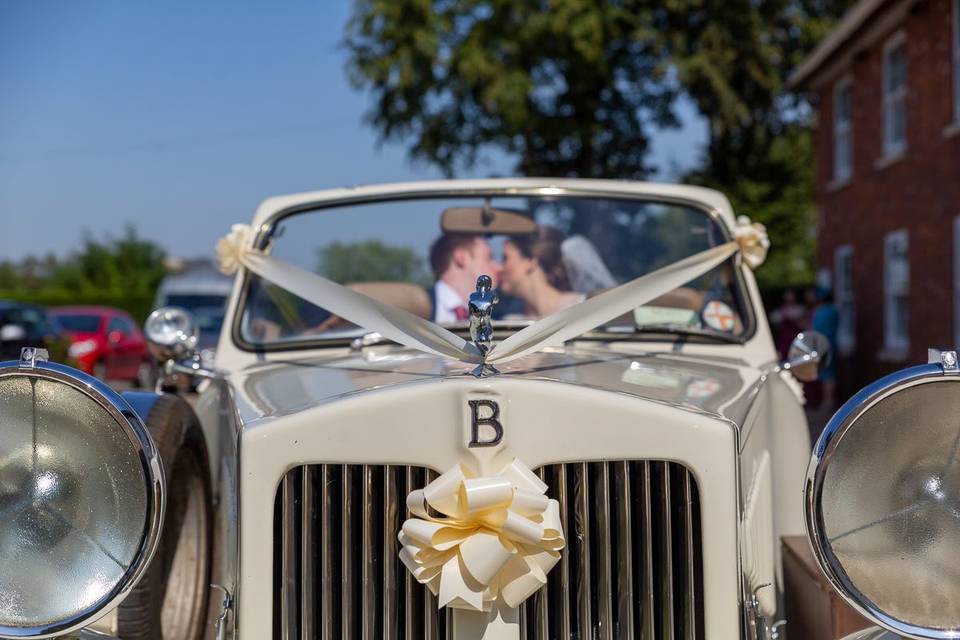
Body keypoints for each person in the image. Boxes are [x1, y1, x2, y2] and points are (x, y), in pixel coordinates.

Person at [499, 225, 584, 319]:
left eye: (505, 258)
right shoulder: (511, 321)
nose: (499, 268)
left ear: (530, 261)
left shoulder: (581, 308)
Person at [428, 233, 501, 324]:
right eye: (489, 258)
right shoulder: (414, 309)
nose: (499, 268)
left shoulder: (498, 313)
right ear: (461, 258)